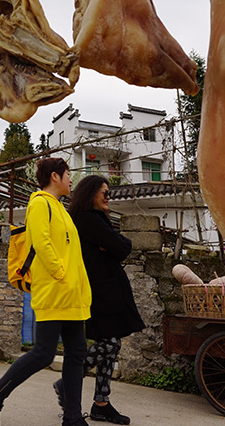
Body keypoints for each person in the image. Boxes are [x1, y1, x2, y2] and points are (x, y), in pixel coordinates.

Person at [0, 157, 92, 426]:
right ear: (54, 176)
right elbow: (41, 242)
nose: (71, 179)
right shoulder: (39, 203)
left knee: (76, 354)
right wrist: (60, 274)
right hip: (54, 291)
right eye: (67, 174)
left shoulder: (62, 209)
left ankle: (73, 418)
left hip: (72, 296)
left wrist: (78, 285)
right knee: (43, 353)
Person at [56, 175, 144, 425]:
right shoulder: (88, 219)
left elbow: (118, 246)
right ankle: (69, 381)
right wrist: (113, 245)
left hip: (105, 290)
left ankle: (101, 404)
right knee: (111, 344)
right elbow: (122, 247)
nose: (108, 197)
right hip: (100, 292)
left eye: (109, 193)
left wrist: (114, 245)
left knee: (110, 344)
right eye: (104, 192)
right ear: (90, 193)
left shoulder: (93, 220)